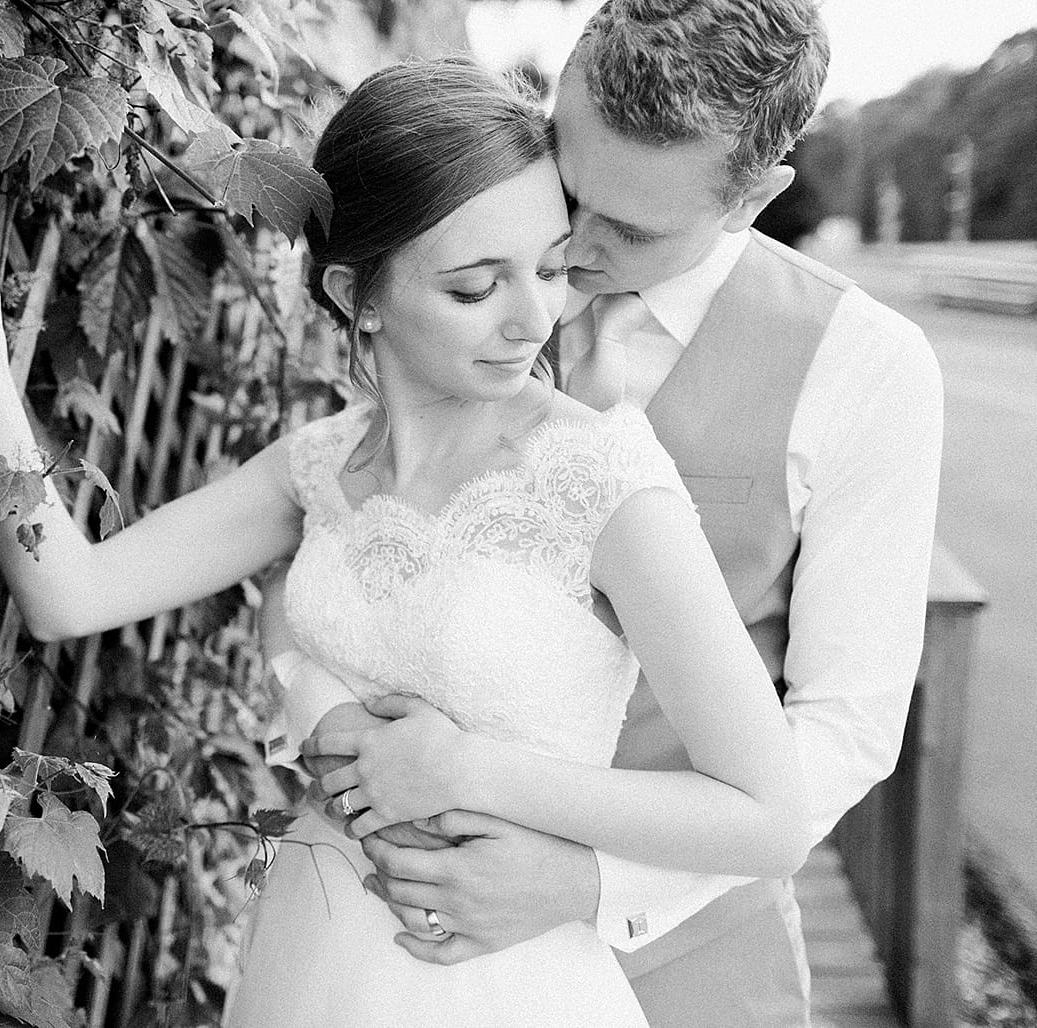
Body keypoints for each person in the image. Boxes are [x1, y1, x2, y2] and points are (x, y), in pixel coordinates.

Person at [0, 57, 816, 1027]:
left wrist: (468, 770)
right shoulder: (316, 465)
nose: (531, 318)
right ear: (357, 293)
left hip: (498, 984)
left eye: (549, 268)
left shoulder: (604, 477)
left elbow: (770, 816)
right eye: (473, 287)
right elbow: (66, 591)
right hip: (310, 959)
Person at [267, 2, 945, 1025]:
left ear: (753, 199)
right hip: (398, 931)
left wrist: (589, 881)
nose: (572, 250)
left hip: (694, 957)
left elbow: (845, 729)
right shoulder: (457, 283)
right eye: (571, 186)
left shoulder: (867, 367)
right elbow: (343, 536)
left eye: (628, 229)